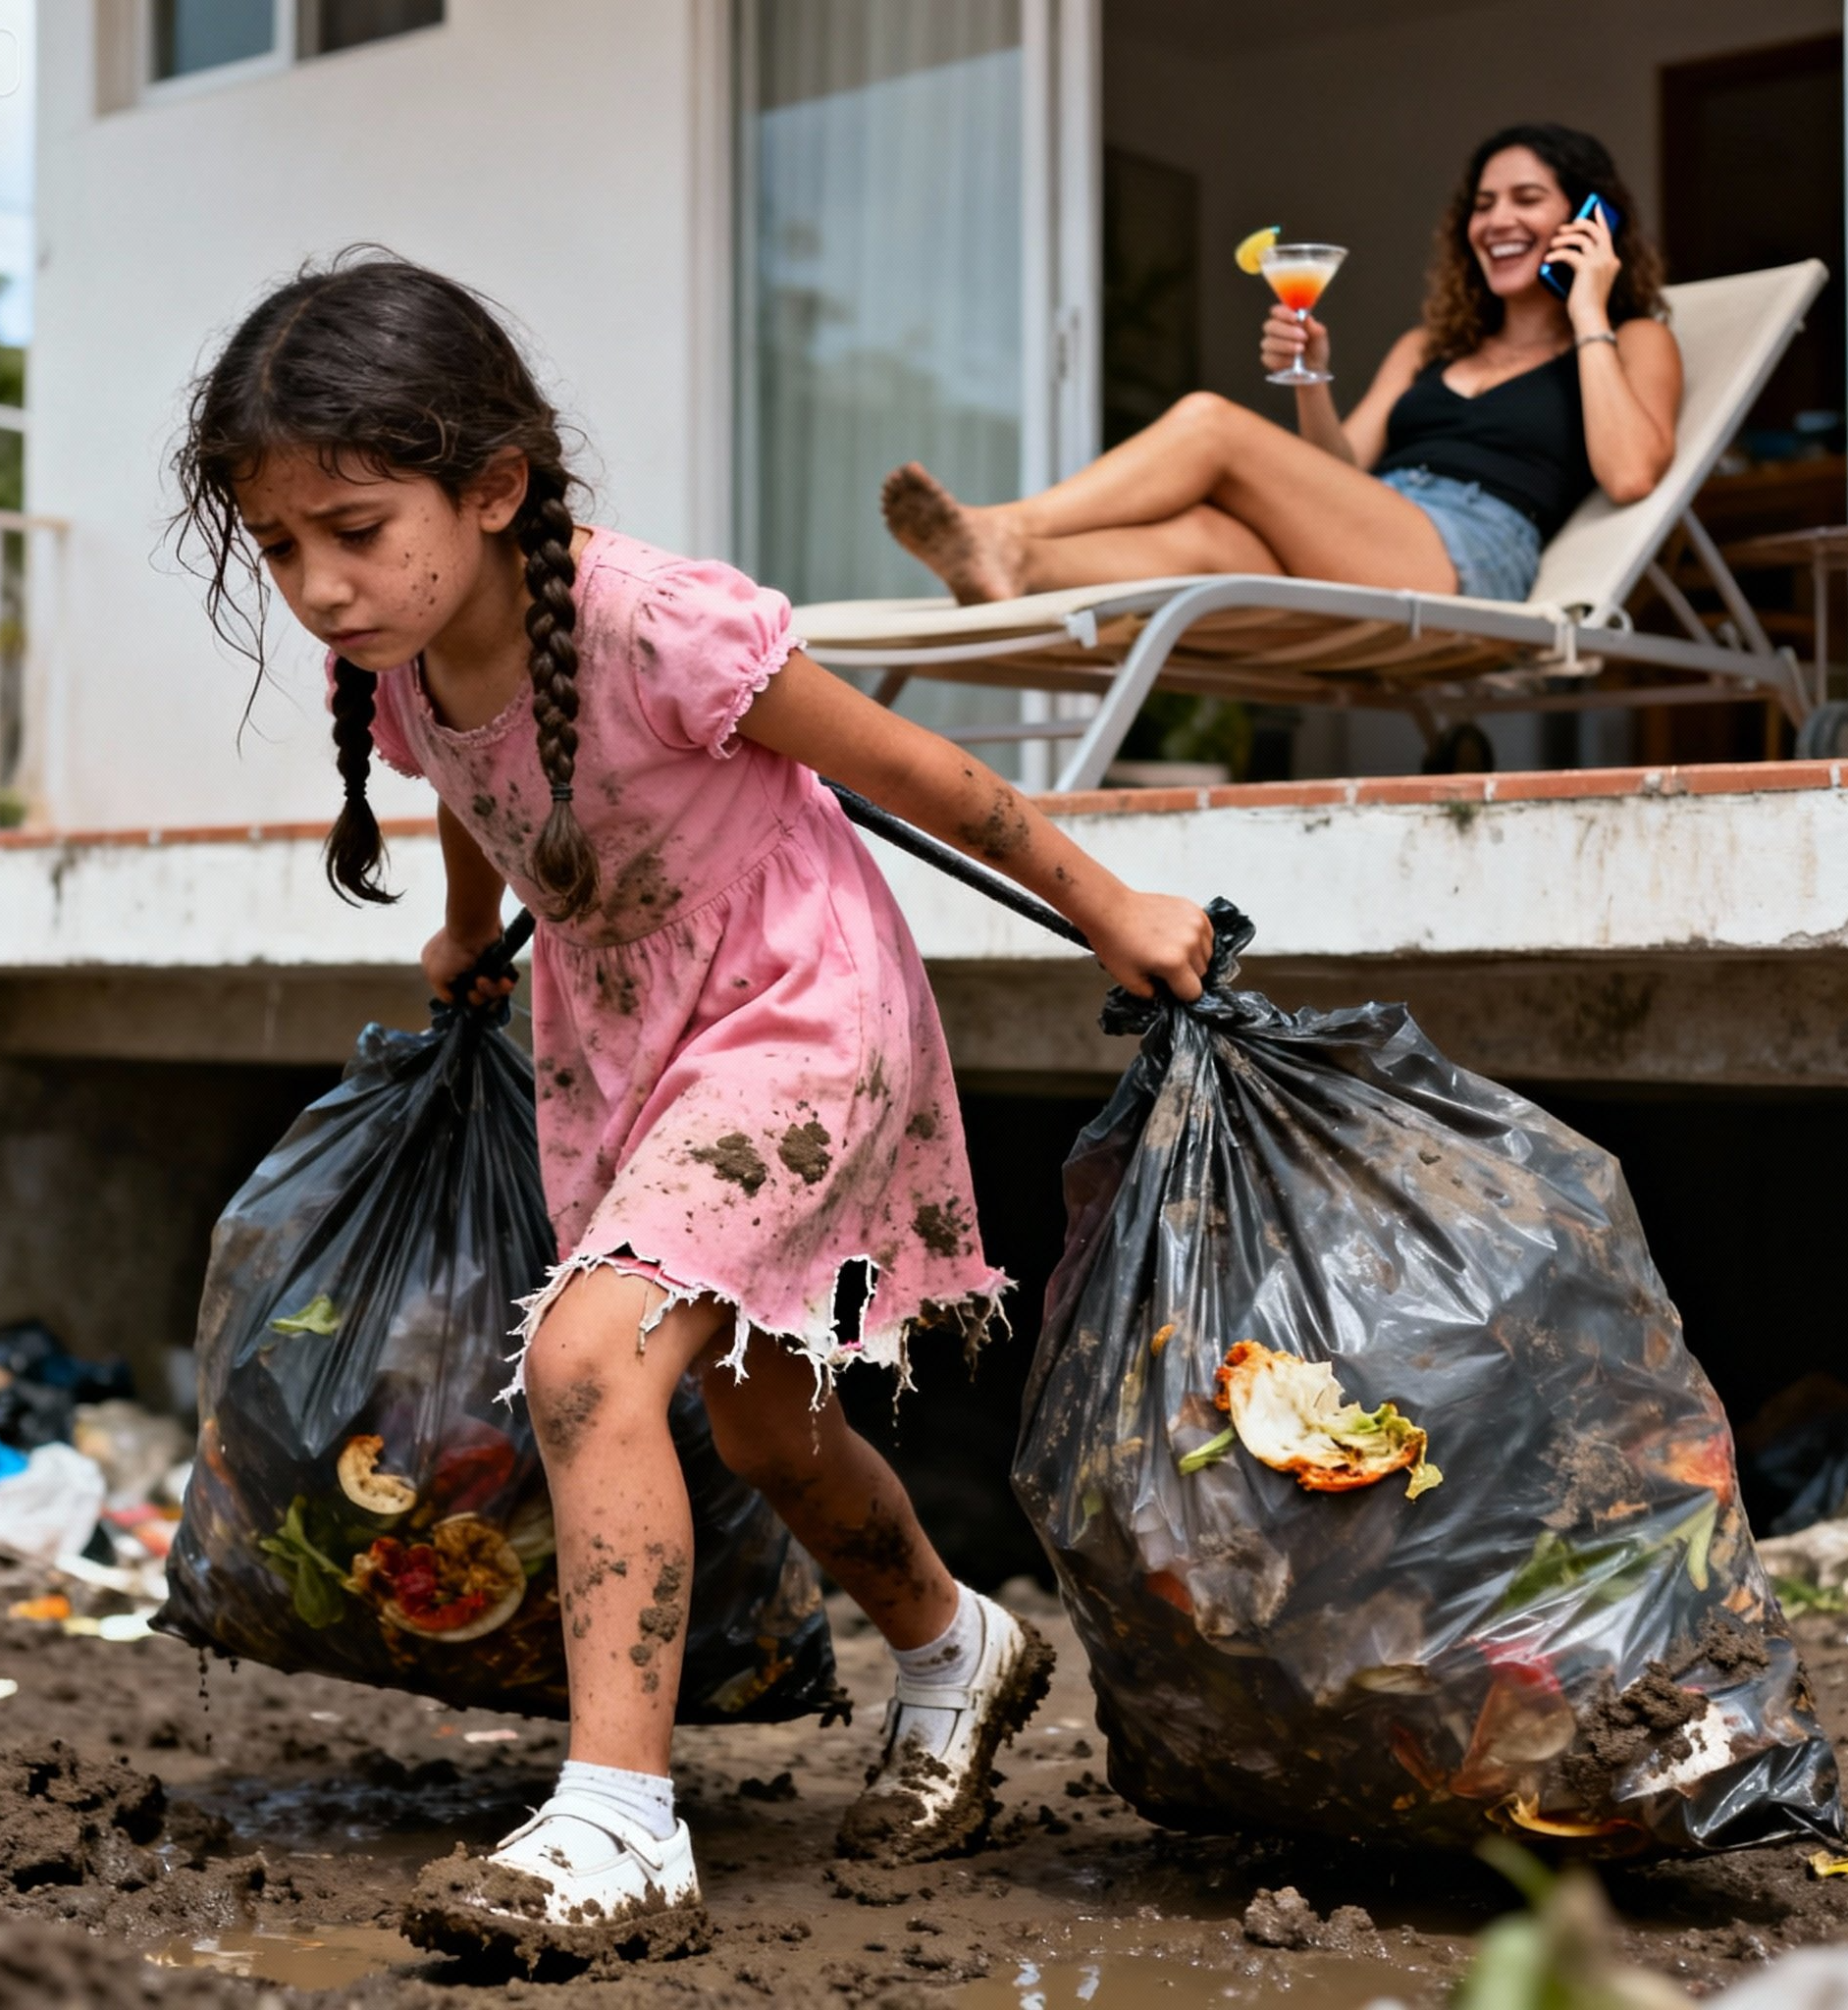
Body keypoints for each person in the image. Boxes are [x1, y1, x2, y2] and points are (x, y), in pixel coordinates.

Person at [169, 253, 1213, 1967]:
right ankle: (957, 1648)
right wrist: (456, 930)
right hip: (626, 1043)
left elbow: (910, 773)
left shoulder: (659, 620)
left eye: (354, 528)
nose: (321, 585)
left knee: (586, 1359)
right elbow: (469, 789)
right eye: (282, 547)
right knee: (758, 1430)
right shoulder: (408, 660)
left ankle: (617, 1817)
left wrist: (1111, 906)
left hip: (798, 1015)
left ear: (493, 485)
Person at [883, 123, 1681, 609]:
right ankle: (1009, 560)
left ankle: (1009, 522)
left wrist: (1585, 311)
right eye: (1483, 202)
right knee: (1199, 536)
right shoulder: (1427, 350)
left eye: (1527, 198)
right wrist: (1314, 378)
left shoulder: (1629, 339)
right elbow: (1339, 471)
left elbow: (1631, 473)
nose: (1498, 219)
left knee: (1210, 423)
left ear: (1589, 216)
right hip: (1377, 530)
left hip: (1468, 555)